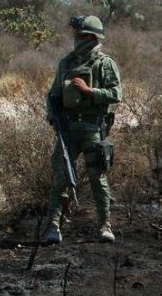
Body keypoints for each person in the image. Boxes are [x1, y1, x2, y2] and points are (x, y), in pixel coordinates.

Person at [44, 15, 122, 244]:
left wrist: (90, 91)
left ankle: (105, 226)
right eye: (76, 35)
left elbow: (116, 94)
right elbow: (53, 95)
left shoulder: (104, 63)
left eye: (81, 35)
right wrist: (53, 115)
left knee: (98, 178)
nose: (76, 39)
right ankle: (53, 227)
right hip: (67, 128)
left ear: (92, 36)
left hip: (93, 128)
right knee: (61, 177)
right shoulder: (66, 63)